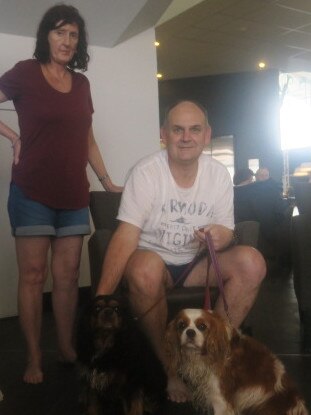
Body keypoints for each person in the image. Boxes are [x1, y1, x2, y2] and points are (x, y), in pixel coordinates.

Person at [96, 100, 266, 402]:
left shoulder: (218, 175)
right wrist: (101, 299)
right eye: (178, 130)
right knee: (145, 268)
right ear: (164, 134)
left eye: (194, 129)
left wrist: (220, 235)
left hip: (197, 265)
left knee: (253, 263)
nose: (186, 137)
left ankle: (206, 356)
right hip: (155, 265)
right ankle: (170, 371)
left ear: (206, 134)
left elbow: (227, 232)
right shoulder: (146, 172)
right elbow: (126, 235)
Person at [0, 4, 122, 384]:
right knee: (33, 277)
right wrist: (13, 136)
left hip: (73, 195)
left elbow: (86, 136)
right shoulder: (24, 73)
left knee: (68, 278)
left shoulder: (81, 84)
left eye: (73, 34)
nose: (67, 41)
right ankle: (34, 358)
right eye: (59, 32)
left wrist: (105, 181)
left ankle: (67, 348)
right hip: (32, 191)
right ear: (46, 37)